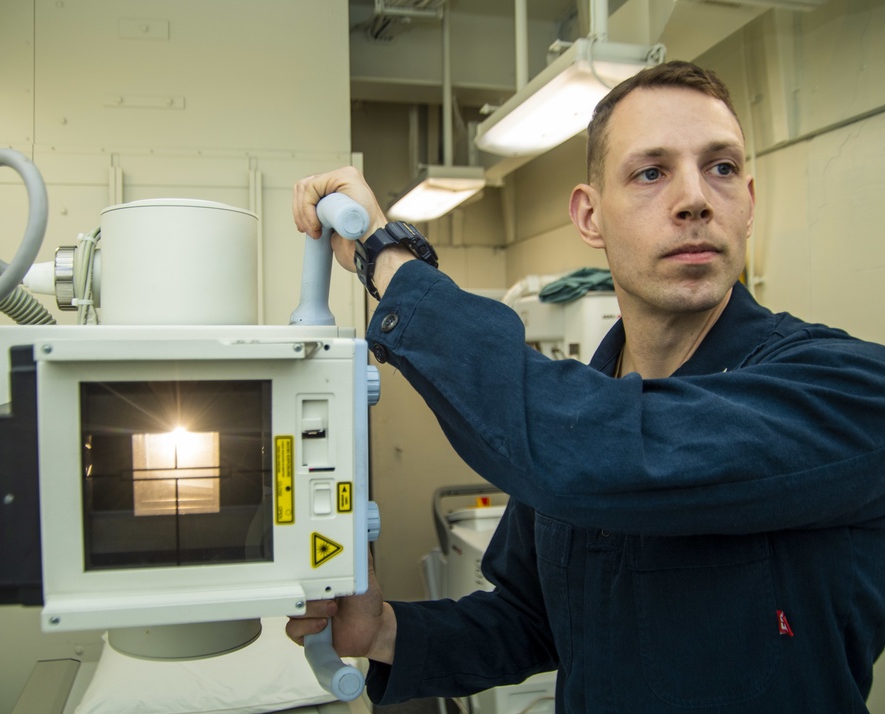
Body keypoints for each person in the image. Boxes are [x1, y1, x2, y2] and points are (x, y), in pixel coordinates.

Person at [287, 60, 885, 712]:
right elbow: (530, 619)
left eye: (719, 168)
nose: (694, 199)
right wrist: (385, 631)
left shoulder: (847, 391)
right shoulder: (582, 401)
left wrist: (390, 259)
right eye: (652, 172)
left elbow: (600, 453)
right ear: (590, 216)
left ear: (748, 203)